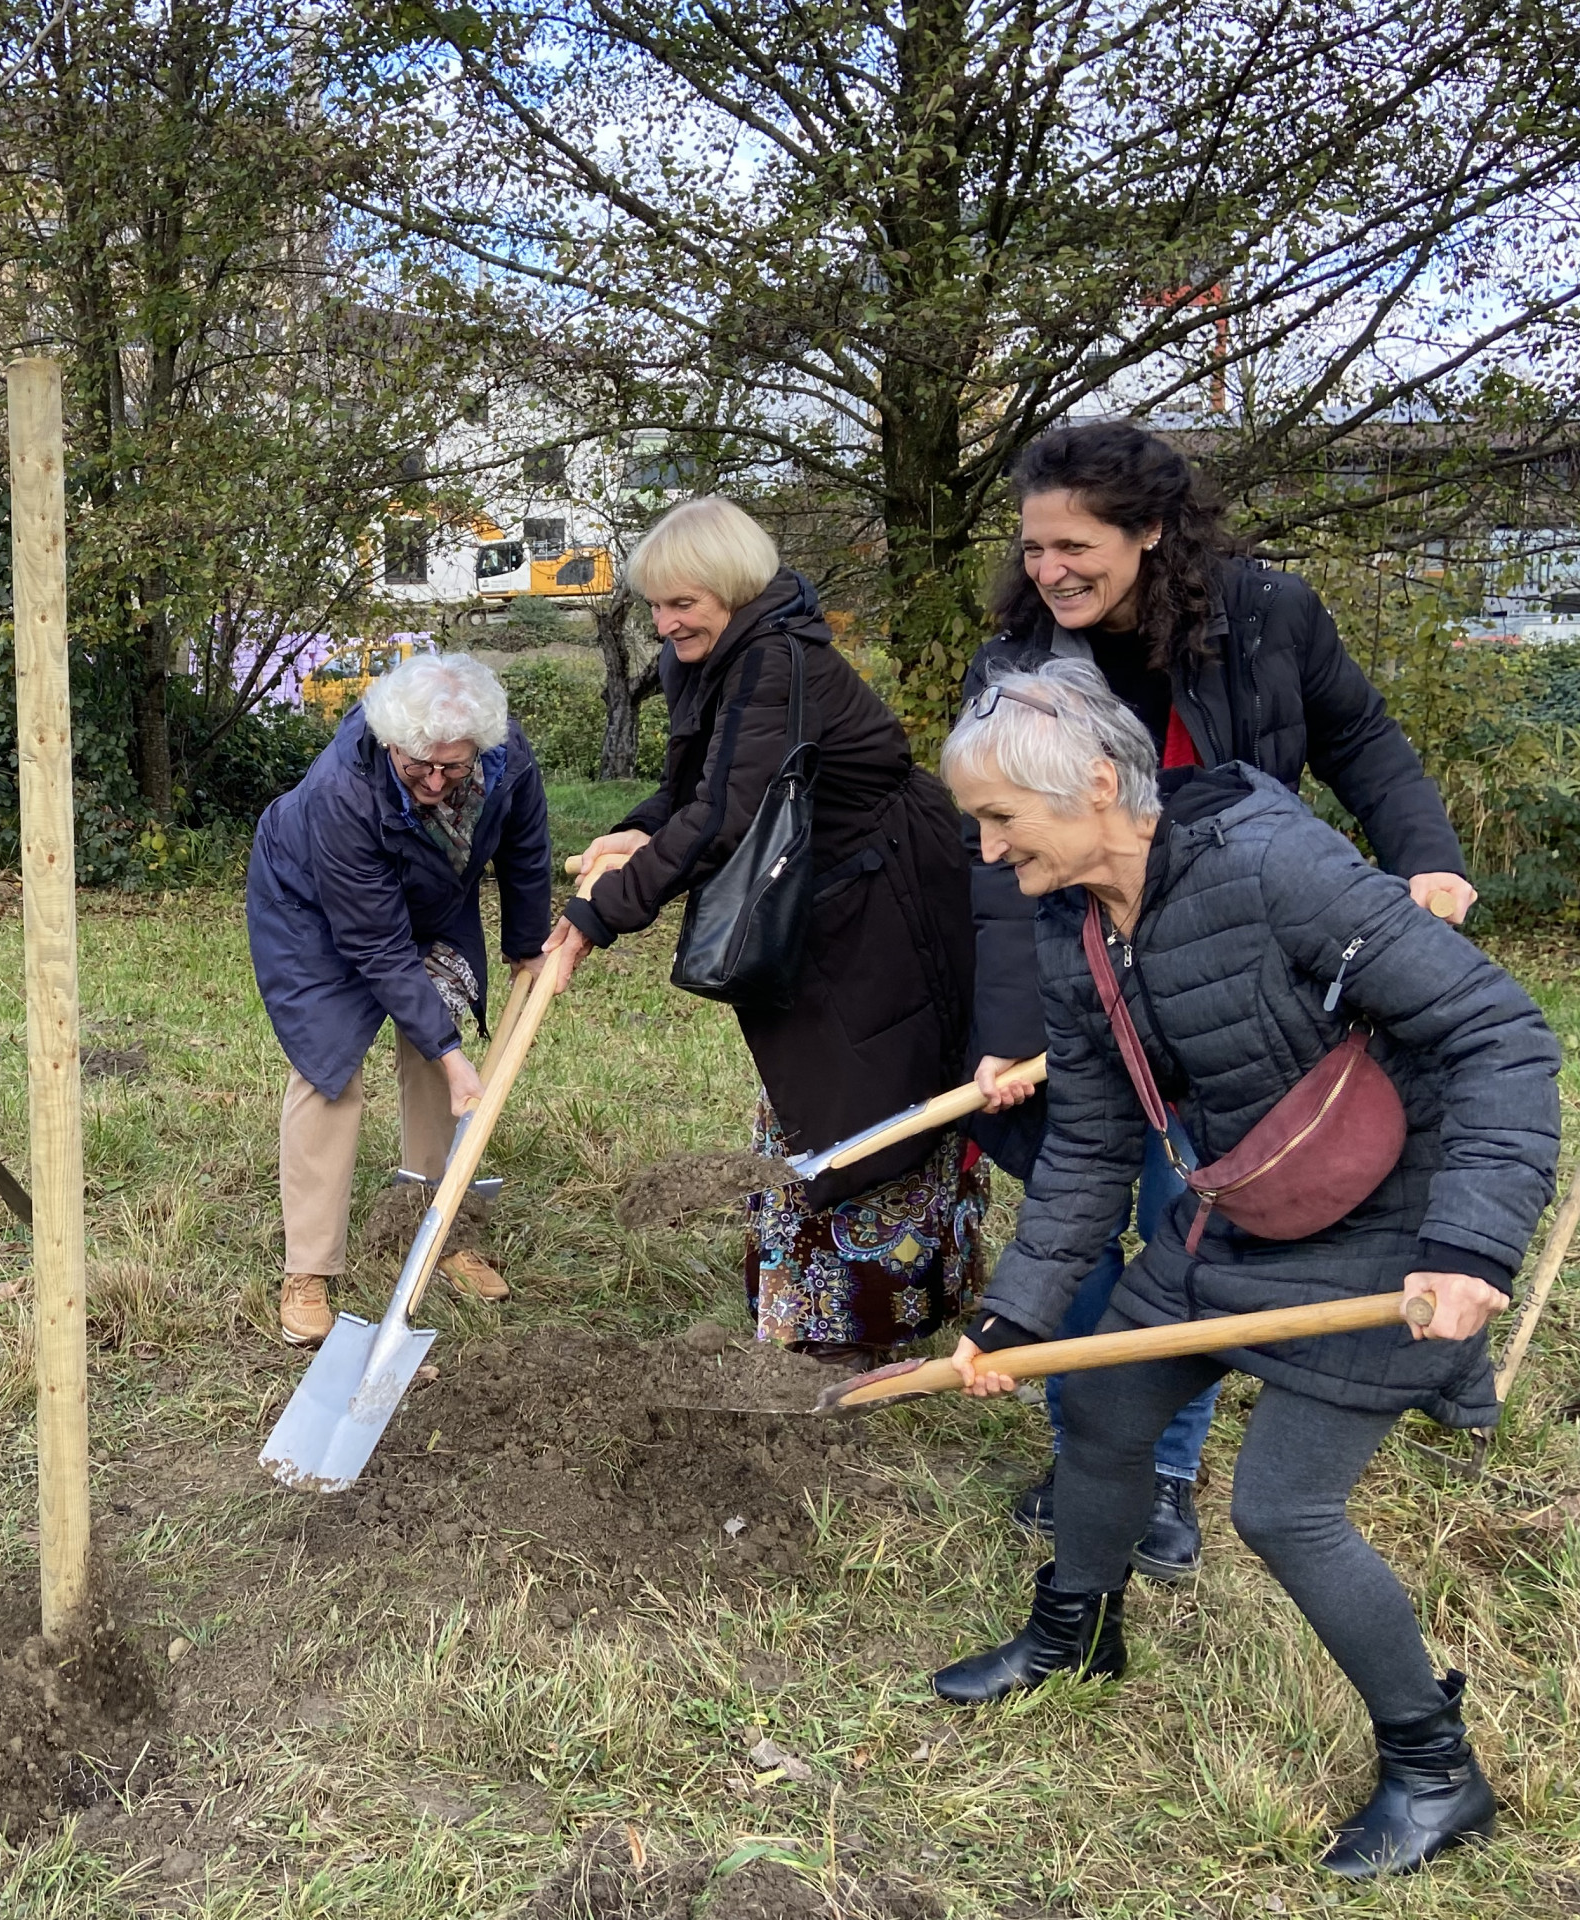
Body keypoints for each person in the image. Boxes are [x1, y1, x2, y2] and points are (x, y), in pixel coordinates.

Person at [932, 661, 1554, 1879]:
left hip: (1390, 1225)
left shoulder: (1274, 865)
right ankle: (1077, 1634)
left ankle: (1436, 1772)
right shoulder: (1075, 927)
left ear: (1096, 784)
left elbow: (1499, 1033)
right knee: (1102, 1407)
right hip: (1240, 1208)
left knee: (1281, 1508)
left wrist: (1471, 1246)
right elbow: (1091, 1145)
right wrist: (1015, 1317)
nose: (990, 851)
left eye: (1001, 818)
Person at [963, 421, 1475, 1578]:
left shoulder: (1266, 615)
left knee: (1193, 1217)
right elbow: (991, 864)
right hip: (1086, 971)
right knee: (1074, 1203)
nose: (1049, 571)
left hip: (1231, 966)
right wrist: (1009, 1029)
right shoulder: (1014, 662)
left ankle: (1162, 1474)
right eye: (1033, 548)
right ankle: (1092, 1448)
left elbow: (1360, 739)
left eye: (1075, 546)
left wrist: (1426, 858)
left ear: (1149, 530)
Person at [542, 497, 983, 1361]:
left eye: (683, 603)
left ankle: (857, 1329)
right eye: (655, 606)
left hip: (890, 899)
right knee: (818, 1097)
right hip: (825, 890)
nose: (665, 624)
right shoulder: (715, 657)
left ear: (736, 591)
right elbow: (695, 788)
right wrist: (636, 831)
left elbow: (728, 815)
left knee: (870, 1099)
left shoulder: (774, 660)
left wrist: (600, 917)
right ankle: (816, 1317)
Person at [247, 651, 552, 1345]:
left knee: (435, 1029)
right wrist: (453, 1057)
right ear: (390, 743)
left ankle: (439, 1229)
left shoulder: (505, 756)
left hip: (433, 893)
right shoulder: (342, 791)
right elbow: (376, 946)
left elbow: (526, 847)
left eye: (453, 768)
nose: (436, 783)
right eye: (418, 768)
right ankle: (308, 1269)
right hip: (312, 905)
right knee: (327, 1064)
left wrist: (526, 943)